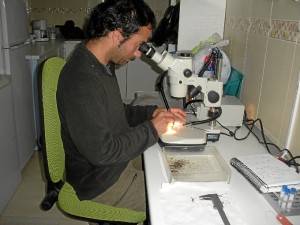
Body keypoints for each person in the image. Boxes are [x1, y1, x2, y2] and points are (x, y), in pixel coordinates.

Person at [56, 0, 186, 215]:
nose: (138, 54)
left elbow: (115, 112)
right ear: (117, 34)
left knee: (174, 164)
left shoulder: (101, 64)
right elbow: (103, 153)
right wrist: (152, 129)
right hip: (101, 181)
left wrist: (151, 113)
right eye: (138, 45)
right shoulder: (82, 79)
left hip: (115, 163)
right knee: (180, 202)